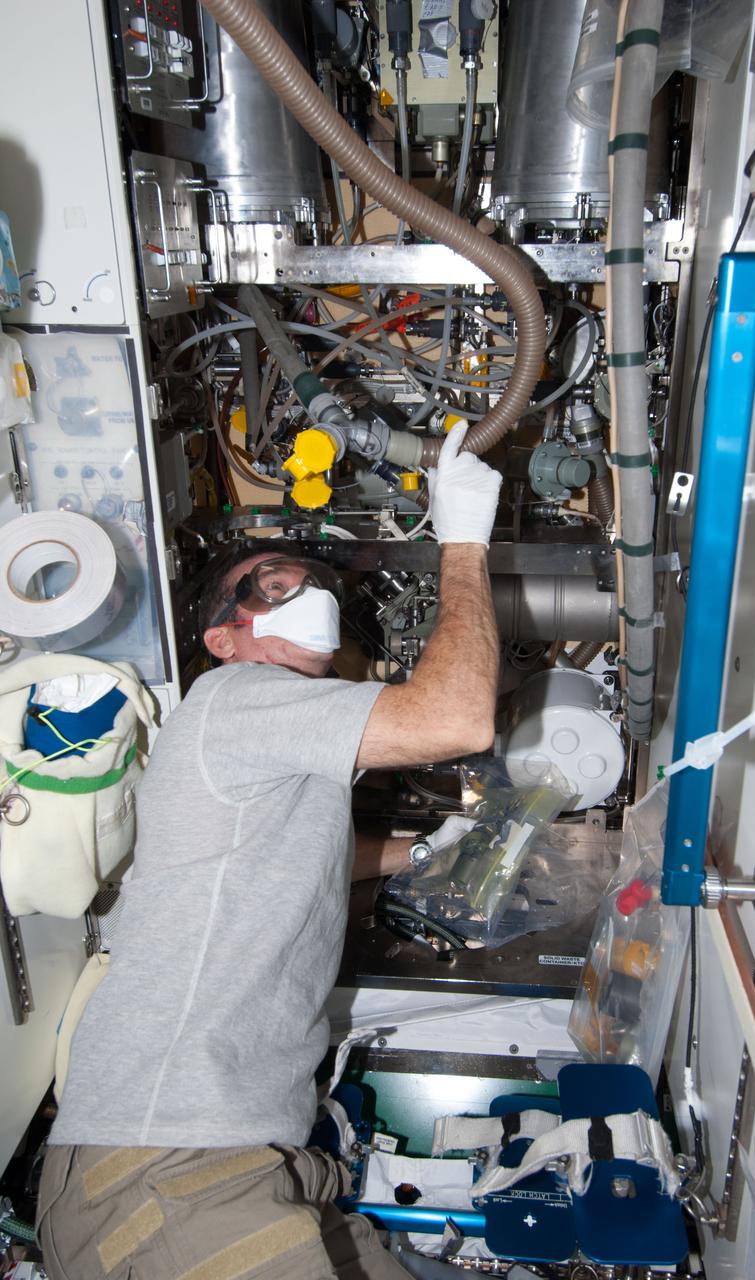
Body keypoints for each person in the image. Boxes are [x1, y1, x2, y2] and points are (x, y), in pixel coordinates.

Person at [37, 424, 502, 1280]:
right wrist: (464, 543)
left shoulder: (266, 737)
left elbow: (291, 852)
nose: (309, 590)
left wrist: (424, 849)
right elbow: (460, 719)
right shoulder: (236, 695)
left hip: (232, 1156)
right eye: (275, 583)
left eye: (317, 580)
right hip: (168, 1160)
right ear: (222, 638)